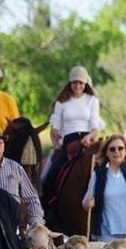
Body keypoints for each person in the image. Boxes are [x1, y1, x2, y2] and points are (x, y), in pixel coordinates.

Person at [42, 66, 104, 201]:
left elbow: (95, 127)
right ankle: (49, 203)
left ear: (85, 84)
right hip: (69, 140)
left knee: (103, 163)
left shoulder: (92, 100)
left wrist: (89, 137)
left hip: (88, 140)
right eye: (75, 82)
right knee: (50, 172)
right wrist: (56, 141)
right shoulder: (61, 102)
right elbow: (55, 128)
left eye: (81, 83)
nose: (78, 85)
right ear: (70, 83)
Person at [0, 127, 44, 227]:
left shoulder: (15, 167)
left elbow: (32, 199)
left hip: (14, 222)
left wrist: (36, 223)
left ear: (4, 146)